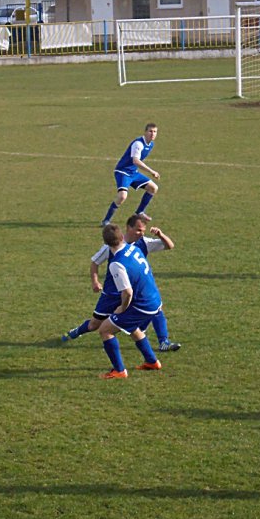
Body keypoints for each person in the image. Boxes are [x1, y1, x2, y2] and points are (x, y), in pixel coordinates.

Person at [63, 213, 181, 352]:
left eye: (143, 230)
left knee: (155, 310)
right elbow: (95, 262)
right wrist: (95, 281)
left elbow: (169, 246)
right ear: (128, 228)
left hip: (132, 292)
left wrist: (160, 235)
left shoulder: (143, 242)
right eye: (138, 230)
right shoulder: (112, 246)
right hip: (112, 294)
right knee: (94, 325)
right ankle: (76, 332)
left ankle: (163, 342)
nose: (141, 233)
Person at [96, 223, 164, 378]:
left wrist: (122, 308)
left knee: (105, 330)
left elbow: (127, 292)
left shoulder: (116, 263)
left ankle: (119, 370)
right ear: (122, 237)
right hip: (155, 299)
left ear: (106, 243)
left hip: (142, 305)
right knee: (132, 327)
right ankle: (152, 361)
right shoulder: (135, 249)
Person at [101, 123, 161, 226]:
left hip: (133, 173)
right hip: (123, 171)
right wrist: (151, 171)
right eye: (150, 131)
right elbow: (136, 161)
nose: (152, 134)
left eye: (155, 132)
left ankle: (139, 212)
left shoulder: (151, 144)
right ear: (145, 132)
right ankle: (106, 220)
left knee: (153, 188)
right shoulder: (138, 143)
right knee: (122, 196)